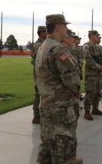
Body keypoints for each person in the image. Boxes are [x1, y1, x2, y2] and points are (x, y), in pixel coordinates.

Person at [35, 14, 82, 164]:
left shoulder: (44, 46)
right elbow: (72, 80)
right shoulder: (58, 49)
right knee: (64, 144)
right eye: (65, 25)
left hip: (47, 103)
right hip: (60, 106)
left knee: (48, 141)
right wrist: (77, 90)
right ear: (57, 27)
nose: (66, 29)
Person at [82, 30, 102, 120]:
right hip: (91, 75)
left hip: (99, 74)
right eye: (97, 36)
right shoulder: (86, 47)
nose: (98, 37)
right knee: (90, 93)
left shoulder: (99, 47)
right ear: (91, 36)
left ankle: (95, 109)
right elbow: (89, 61)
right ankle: (87, 111)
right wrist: (101, 68)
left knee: (98, 92)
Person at [30, 26, 47, 124]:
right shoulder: (38, 45)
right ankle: (36, 116)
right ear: (40, 33)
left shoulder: (44, 43)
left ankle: (41, 115)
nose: (47, 33)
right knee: (38, 93)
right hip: (39, 73)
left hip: (43, 72)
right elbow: (38, 60)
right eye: (45, 31)